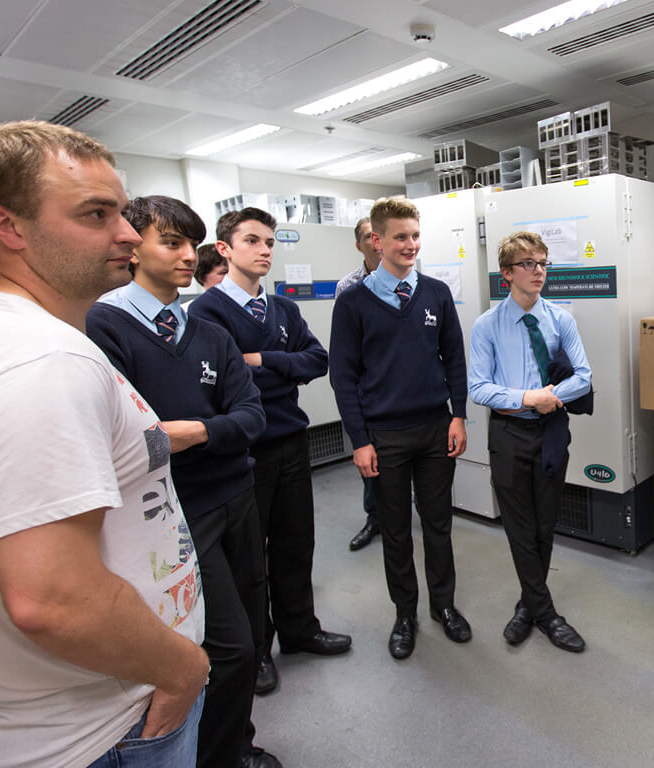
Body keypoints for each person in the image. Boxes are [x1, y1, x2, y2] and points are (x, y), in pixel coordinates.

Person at [0, 121, 208, 767]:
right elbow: (54, 600)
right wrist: (184, 667)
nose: (128, 234)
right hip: (102, 726)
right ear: (7, 226)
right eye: (96, 214)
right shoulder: (43, 359)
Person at [86, 196, 280, 768]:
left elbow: (253, 416)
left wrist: (194, 430)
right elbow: (132, 440)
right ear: (133, 243)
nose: (185, 256)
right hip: (175, 509)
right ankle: (218, 757)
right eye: (170, 243)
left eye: (189, 245)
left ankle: (237, 744)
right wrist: (213, 429)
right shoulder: (104, 324)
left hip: (235, 494)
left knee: (251, 628)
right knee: (229, 645)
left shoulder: (206, 327)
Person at [189, 207, 350, 699]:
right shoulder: (206, 313)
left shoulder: (283, 309)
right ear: (225, 249)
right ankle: (258, 649)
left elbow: (317, 360)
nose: (264, 250)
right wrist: (283, 369)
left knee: (295, 543)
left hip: (290, 441)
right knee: (249, 559)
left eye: (270, 242)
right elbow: (222, 384)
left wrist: (262, 360)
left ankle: (300, 630)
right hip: (243, 452)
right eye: (253, 241)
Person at [329, 196, 471, 659]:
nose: (410, 245)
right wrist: (360, 441)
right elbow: (343, 377)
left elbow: (454, 357)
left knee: (438, 524)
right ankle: (404, 614)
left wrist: (458, 414)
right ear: (377, 240)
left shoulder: (436, 293)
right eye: (400, 237)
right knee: (394, 529)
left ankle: (444, 607)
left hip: (435, 429)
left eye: (414, 236)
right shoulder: (353, 302)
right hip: (384, 437)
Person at [468, 232, 591, 653]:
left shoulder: (561, 320)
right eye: (528, 264)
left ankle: (528, 605)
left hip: (551, 431)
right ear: (507, 274)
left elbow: (584, 377)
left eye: (543, 263)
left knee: (543, 523)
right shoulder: (487, 326)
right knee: (519, 527)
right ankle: (548, 614)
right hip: (508, 434)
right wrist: (525, 398)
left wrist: (550, 398)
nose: (539, 271)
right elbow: (478, 388)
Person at [336, 216, 383, 551]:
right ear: (360, 244)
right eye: (369, 236)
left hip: (403, 390)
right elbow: (345, 350)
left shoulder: (415, 283)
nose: (376, 241)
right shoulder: (348, 287)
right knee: (371, 460)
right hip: (369, 389)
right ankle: (375, 518)